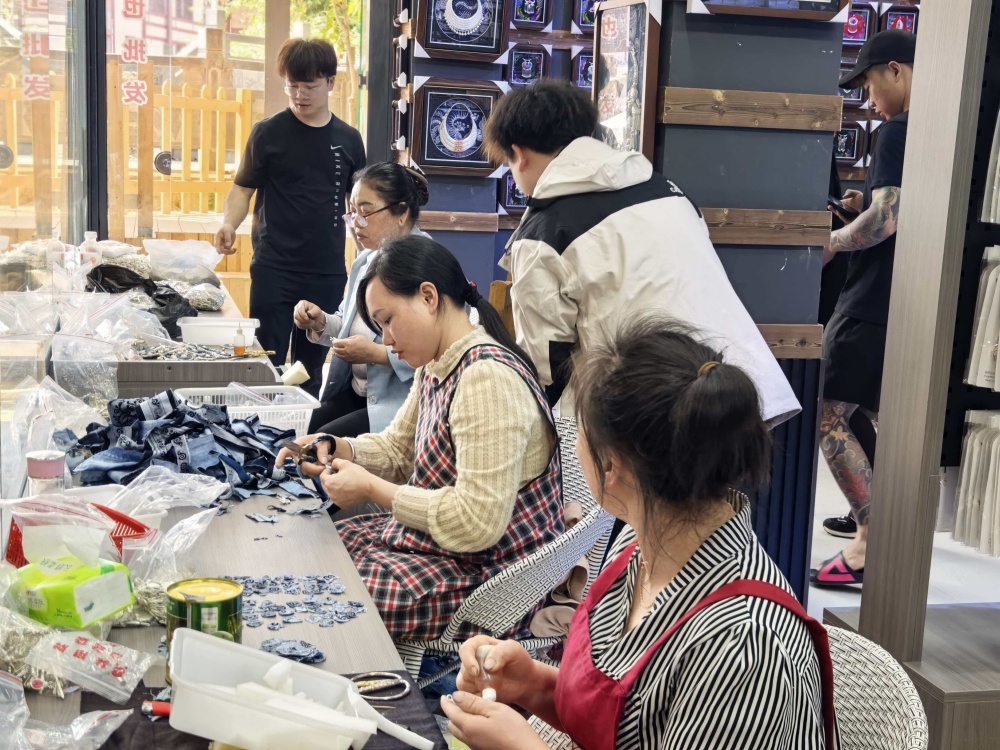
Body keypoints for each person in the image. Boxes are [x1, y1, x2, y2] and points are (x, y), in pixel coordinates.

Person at [439, 316, 837, 750]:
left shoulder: (742, 647)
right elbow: (628, 720)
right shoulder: (638, 544)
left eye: (578, 430)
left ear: (610, 466)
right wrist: (533, 684)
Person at [275, 236, 564, 642]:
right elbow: (397, 450)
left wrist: (371, 489)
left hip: (489, 576)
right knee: (310, 551)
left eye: (387, 320)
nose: (385, 339)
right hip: (448, 551)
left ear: (428, 296)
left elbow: (476, 523)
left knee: (321, 597)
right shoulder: (437, 364)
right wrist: (337, 445)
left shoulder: (487, 378)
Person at [484, 80, 800, 425]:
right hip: (740, 391)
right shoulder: (667, 191)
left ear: (520, 154)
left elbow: (544, 368)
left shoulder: (542, 235)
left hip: (654, 414)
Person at [813, 30, 914, 587]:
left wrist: (832, 242)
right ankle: (878, 531)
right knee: (865, 413)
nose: (870, 101)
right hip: (904, 297)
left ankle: (870, 540)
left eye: (872, 85)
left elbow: (886, 219)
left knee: (830, 412)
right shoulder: (934, 133)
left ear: (895, 70)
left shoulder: (896, 131)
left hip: (870, 298)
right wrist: (861, 206)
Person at [214, 38, 366, 398]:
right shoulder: (268, 132)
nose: (300, 94)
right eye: (292, 85)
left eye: (309, 86)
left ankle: (303, 430)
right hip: (274, 267)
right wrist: (228, 223)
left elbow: (359, 207)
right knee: (263, 363)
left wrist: (368, 255)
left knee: (309, 372)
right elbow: (242, 189)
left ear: (330, 83)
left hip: (326, 271)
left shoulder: (349, 140)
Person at [294, 163, 430, 436]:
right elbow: (347, 324)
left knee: (319, 443)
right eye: (352, 212)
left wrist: (377, 354)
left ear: (402, 212)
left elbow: (440, 351)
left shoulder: (426, 264)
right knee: (296, 429)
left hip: (402, 404)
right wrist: (320, 322)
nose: (356, 223)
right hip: (359, 393)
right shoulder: (367, 259)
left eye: (365, 213)